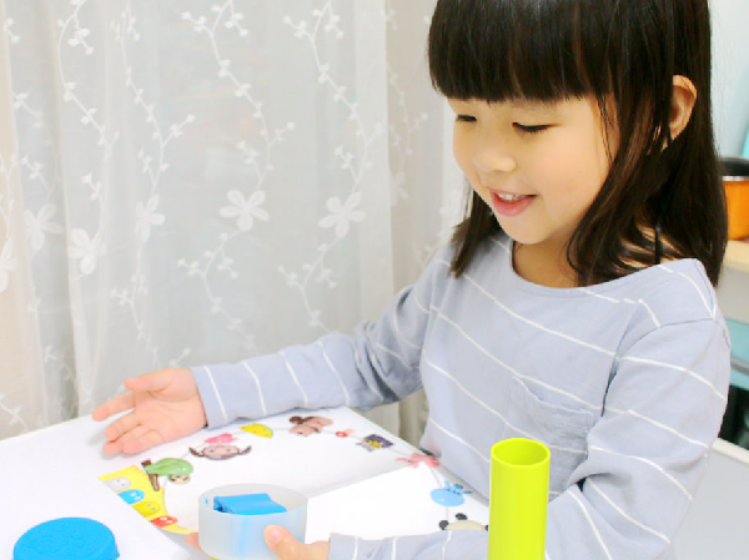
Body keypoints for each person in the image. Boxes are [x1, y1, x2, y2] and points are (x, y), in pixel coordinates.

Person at [93, 0, 732, 558]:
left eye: (530, 125)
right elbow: (372, 360)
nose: (487, 158)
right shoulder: (481, 254)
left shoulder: (670, 324)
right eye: (466, 116)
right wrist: (212, 393)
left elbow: (605, 542)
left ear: (662, 113)